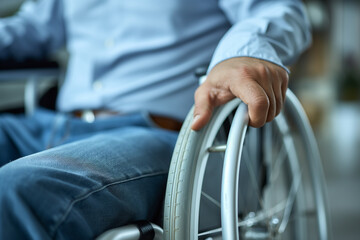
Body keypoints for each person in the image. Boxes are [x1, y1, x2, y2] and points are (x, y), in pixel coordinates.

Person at [0, 0, 311, 239]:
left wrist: (240, 55)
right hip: (49, 125)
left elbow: (278, 9)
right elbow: (32, 28)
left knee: (15, 187)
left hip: (153, 134)